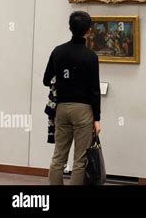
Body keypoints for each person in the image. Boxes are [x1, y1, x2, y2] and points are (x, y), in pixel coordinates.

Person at [43, 11, 101, 185]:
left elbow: (46, 80)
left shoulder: (58, 51)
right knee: (80, 159)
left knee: (59, 156)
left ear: (69, 28)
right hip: (83, 111)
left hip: (61, 108)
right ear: (89, 31)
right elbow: (94, 91)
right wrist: (97, 118)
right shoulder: (91, 56)